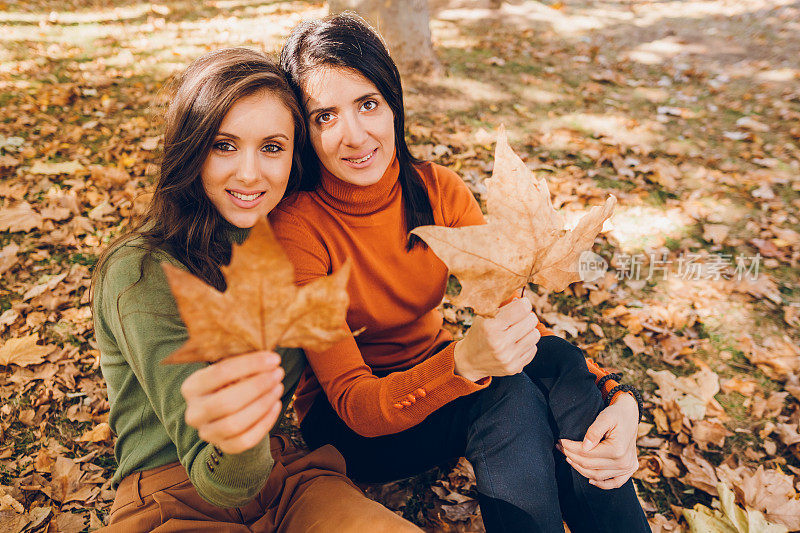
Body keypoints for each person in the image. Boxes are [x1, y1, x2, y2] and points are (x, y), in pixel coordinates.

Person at [270, 14, 650, 532]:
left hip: (438, 377)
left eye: (367, 104)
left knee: (552, 359)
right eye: (325, 117)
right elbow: (355, 403)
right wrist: (462, 365)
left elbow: (522, 331)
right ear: (304, 131)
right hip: (352, 425)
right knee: (505, 392)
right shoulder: (297, 227)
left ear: (393, 104)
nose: (355, 136)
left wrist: (621, 398)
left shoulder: (438, 191)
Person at [91, 47, 422, 532]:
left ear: (295, 155)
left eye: (272, 147)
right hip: (173, 497)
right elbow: (220, 480)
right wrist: (240, 423)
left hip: (288, 480)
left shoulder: (298, 248)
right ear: (191, 147)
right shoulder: (139, 272)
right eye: (225, 145)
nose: (250, 173)